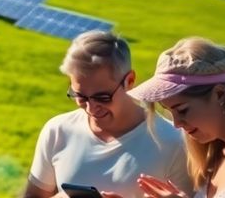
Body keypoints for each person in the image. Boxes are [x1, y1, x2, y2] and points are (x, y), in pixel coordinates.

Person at [23, 30, 191, 198]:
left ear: (130, 81)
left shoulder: (173, 143)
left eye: (102, 97)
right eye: (80, 96)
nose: (91, 108)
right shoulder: (58, 130)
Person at [131, 37, 225, 198]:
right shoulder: (219, 150)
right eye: (170, 111)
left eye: (183, 110)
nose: (177, 124)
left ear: (219, 95)